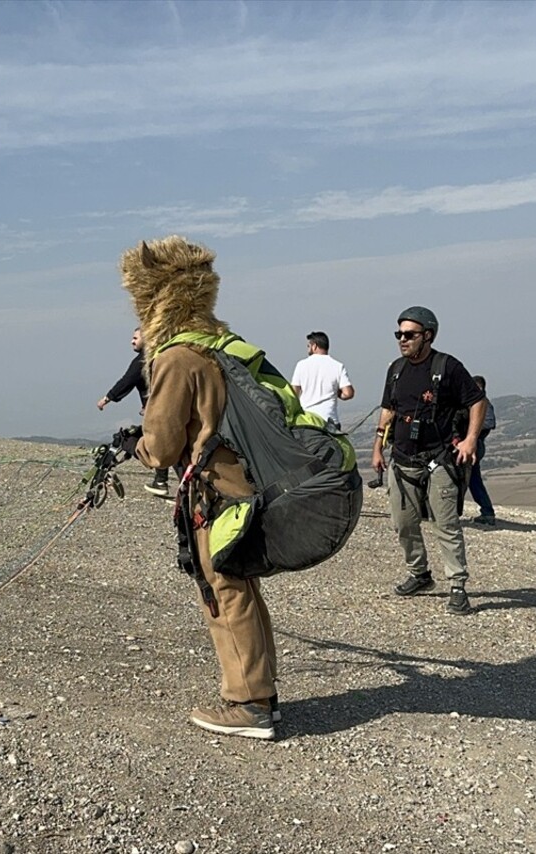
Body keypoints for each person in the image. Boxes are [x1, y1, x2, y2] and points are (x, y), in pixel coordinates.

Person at [118, 236, 279, 740]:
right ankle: (261, 695)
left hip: (214, 497)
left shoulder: (175, 358)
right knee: (241, 590)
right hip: (246, 489)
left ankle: (247, 704)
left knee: (223, 593)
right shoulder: (218, 344)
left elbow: (162, 447)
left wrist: (136, 448)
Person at [371, 306, 487, 616]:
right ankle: (420, 574)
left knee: (445, 525)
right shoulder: (395, 370)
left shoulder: (447, 367)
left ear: (428, 335)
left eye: (409, 334)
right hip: (403, 459)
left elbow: (477, 401)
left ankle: (457, 586)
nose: (402, 340)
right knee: (403, 523)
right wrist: (377, 448)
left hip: (439, 460)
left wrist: (470, 440)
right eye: (399, 334)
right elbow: (388, 411)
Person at [97, 327, 172, 497]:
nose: (132, 341)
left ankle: (161, 482)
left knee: (135, 440)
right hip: (168, 410)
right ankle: (167, 483)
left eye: (135, 338)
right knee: (173, 445)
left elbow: (127, 381)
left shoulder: (143, 360)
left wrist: (107, 399)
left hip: (158, 412)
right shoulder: (162, 357)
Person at [290, 331, 355, 429]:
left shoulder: (301, 365)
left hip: (308, 420)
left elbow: (293, 393)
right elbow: (348, 393)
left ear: (314, 346)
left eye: (308, 346)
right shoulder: (337, 366)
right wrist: (336, 392)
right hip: (330, 421)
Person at [468, 375, 498, 525]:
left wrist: (471, 432)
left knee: (473, 480)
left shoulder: (484, 404)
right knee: (471, 480)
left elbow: (489, 423)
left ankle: (487, 512)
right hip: (471, 444)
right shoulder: (474, 403)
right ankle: (487, 512)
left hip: (475, 445)